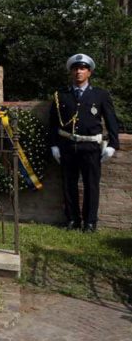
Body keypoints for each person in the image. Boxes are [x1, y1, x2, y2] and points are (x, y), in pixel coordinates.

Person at [50, 54, 120, 232]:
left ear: (89, 72)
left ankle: (90, 222)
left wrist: (113, 144)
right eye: (75, 69)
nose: (78, 72)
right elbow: (53, 123)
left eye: (82, 68)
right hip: (67, 146)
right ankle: (72, 219)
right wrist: (54, 145)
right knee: (69, 184)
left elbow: (111, 120)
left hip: (90, 147)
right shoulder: (61, 95)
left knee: (91, 185)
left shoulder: (100, 95)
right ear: (71, 72)